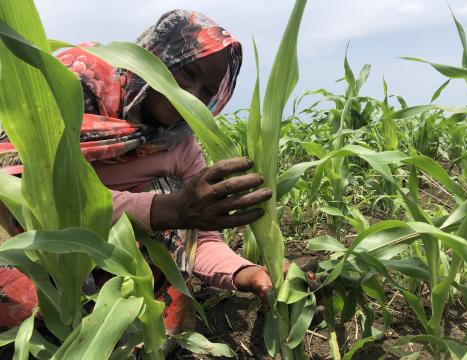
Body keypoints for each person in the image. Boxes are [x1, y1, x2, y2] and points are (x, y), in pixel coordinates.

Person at [0, 9, 275, 339]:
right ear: (157, 57)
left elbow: (199, 238)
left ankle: (125, 326)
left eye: (206, 92)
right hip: (33, 248)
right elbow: (30, 192)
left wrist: (249, 273)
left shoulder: (181, 144)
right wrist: (170, 208)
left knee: (176, 195)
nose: (193, 96)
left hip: (112, 262)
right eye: (188, 72)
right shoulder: (75, 84)